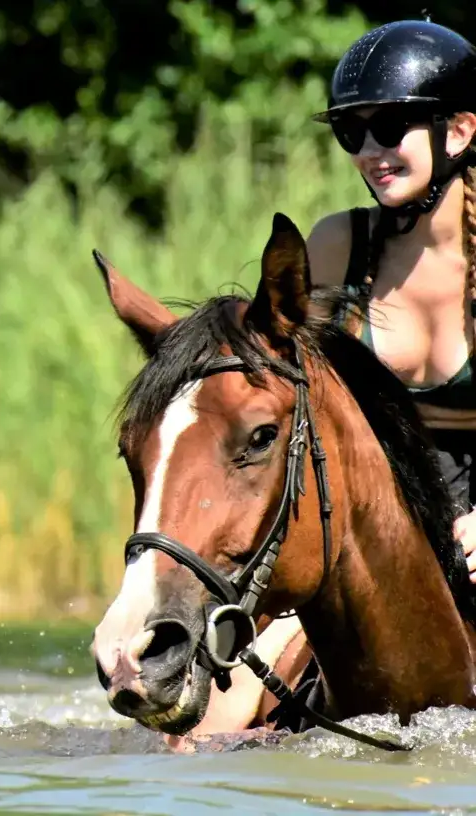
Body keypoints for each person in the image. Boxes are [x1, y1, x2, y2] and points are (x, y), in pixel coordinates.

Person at [163, 18, 476, 745]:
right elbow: (294, 398)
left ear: (460, 130)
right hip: (373, 528)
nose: (369, 150)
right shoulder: (339, 244)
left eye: (389, 127)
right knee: (207, 726)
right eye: (350, 132)